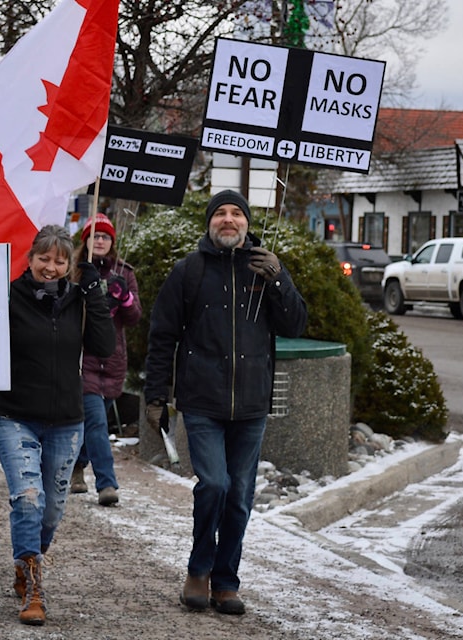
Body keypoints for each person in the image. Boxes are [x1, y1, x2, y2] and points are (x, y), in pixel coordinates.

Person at [143, 189, 308, 616]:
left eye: (237, 213)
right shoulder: (189, 271)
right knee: (213, 484)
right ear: (209, 223)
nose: (229, 220)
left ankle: (225, 582)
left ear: (248, 223)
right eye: (221, 214)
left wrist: (279, 278)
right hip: (201, 401)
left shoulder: (265, 270)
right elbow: (162, 336)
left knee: (239, 495)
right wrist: (156, 396)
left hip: (252, 403)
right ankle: (198, 571)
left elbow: (296, 323)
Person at [0, 225, 113, 625]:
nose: (51, 266)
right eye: (44, 258)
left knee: (51, 510)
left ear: (70, 264)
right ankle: (33, 587)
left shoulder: (79, 299)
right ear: (29, 260)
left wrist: (94, 292)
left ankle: (26, 559)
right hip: (15, 415)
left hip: (66, 420)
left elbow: (104, 346)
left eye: (61, 260)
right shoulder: (6, 296)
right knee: (28, 498)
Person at [70, 213, 142, 506]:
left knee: (93, 424)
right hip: (83, 358)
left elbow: (135, 316)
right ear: (86, 240)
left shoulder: (124, 273)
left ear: (112, 242)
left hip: (113, 360)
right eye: (94, 235)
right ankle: (107, 484)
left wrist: (123, 298)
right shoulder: (73, 270)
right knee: (97, 422)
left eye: (105, 236)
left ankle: (77, 465)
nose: (99, 240)